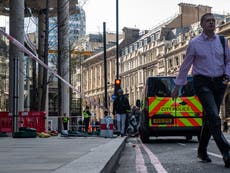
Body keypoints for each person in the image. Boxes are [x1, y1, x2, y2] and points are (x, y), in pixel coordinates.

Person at [171, 13, 230, 168]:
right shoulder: (195, 43)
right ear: (202, 25)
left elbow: (228, 61)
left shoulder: (223, 41)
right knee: (214, 116)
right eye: (208, 21)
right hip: (202, 82)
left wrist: (227, 77)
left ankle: (202, 151)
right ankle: (226, 152)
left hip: (219, 82)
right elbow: (185, 65)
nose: (211, 23)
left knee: (210, 118)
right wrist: (177, 86)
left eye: (213, 21)